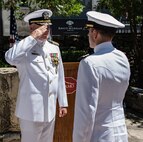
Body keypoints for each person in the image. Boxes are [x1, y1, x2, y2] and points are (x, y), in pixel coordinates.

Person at [5, 9, 68, 142]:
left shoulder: (54, 48)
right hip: (30, 111)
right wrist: (32, 37)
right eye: (41, 27)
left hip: (49, 110)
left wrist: (63, 102)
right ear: (32, 27)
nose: (46, 31)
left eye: (48, 27)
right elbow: (10, 58)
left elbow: (59, 75)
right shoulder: (23, 50)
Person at [73, 11, 130, 142]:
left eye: (89, 31)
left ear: (95, 34)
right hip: (120, 133)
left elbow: (86, 112)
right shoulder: (122, 58)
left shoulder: (89, 63)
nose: (88, 35)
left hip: (99, 135)